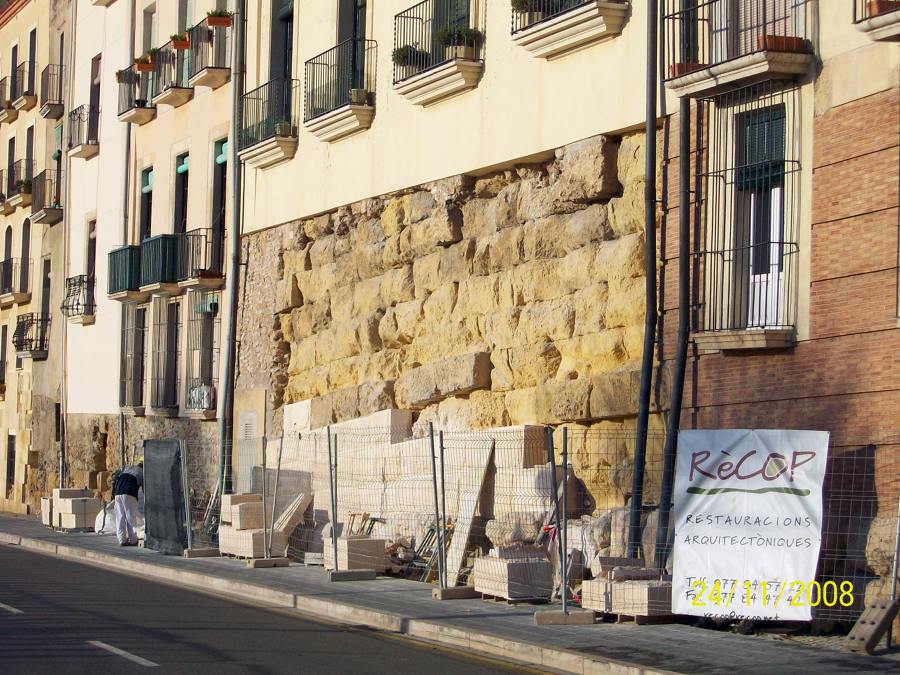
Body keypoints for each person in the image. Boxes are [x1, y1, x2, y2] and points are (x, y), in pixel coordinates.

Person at [112, 461, 143, 546]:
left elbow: (115, 478)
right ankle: (133, 539)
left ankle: (121, 539)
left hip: (118, 493)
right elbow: (145, 488)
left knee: (120, 517)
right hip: (129, 493)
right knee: (130, 516)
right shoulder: (141, 472)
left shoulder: (128, 468)